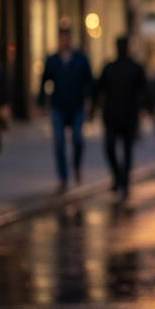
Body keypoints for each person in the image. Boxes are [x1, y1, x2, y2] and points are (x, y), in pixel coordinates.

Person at [39, 22, 94, 192]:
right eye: (62, 38)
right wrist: (41, 102)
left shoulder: (80, 58)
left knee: (78, 139)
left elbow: (89, 81)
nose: (65, 41)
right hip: (58, 107)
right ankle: (63, 177)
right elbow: (44, 81)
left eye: (67, 37)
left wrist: (89, 100)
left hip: (76, 106)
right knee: (60, 143)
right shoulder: (53, 60)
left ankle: (76, 167)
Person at [94, 37, 148, 199]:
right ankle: (119, 177)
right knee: (110, 146)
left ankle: (124, 182)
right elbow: (99, 88)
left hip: (128, 116)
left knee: (127, 150)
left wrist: (144, 108)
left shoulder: (134, 68)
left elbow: (144, 90)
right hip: (112, 115)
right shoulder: (110, 68)